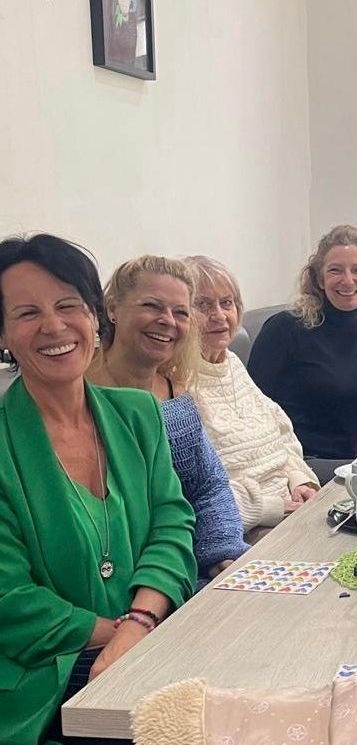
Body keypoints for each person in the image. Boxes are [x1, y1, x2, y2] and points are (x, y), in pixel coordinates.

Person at [0, 234, 196, 744]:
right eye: (27, 313)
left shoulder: (139, 414)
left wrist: (139, 622)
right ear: (3, 333)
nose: (54, 326)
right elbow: (7, 596)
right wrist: (120, 635)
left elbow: (173, 524)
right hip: (41, 681)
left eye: (69, 305)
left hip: (148, 637)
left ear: (94, 317)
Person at [87, 256, 248, 588]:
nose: (168, 321)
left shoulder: (177, 394)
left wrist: (223, 552)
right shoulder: (79, 394)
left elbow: (208, 487)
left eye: (181, 312)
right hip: (115, 583)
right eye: (152, 306)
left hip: (183, 565)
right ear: (113, 309)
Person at [247, 225, 357, 460]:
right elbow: (251, 408)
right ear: (319, 280)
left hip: (353, 462)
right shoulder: (285, 328)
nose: (348, 280)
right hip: (297, 463)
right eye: (335, 270)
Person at [183, 255, 320, 542]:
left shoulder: (230, 362)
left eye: (227, 302)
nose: (219, 315)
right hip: (245, 531)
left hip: (290, 508)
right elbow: (201, 497)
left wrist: (300, 480)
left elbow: (281, 432)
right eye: (203, 305)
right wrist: (273, 507)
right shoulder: (177, 383)